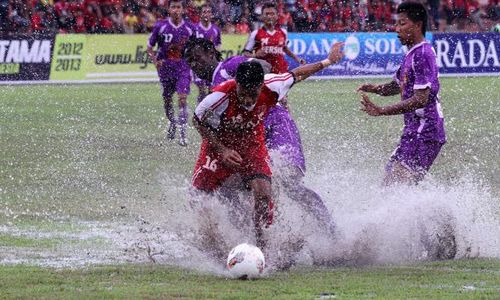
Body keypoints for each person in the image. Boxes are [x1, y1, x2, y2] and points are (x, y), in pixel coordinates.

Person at [191, 41, 344, 250]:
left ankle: (262, 244)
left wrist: (327, 61)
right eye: (242, 93)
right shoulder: (219, 95)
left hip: (253, 142)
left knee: (265, 192)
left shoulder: (272, 85)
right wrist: (222, 150)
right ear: (237, 85)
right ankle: (213, 242)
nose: (247, 100)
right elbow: (197, 119)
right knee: (202, 194)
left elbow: (298, 73)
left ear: (260, 86)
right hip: (222, 145)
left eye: (252, 94)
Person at [358, 2, 445, 186]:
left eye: (402, 24)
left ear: (417, 25)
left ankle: (438, 212)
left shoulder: (423, 53)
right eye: (397, 24)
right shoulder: (411, 55)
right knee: (390, 183)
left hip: (426, 130)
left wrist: (381, 110)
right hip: (413, 130)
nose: (396, 29)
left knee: (400, 185)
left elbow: (420, 100)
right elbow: (396, 86)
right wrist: (373, 88)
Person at [147, 0, 193, 146]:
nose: (176, 10)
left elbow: (195, 49)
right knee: (167, 101)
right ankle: (173, 122)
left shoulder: (189, 28)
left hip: (182, 68)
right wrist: (155, 61)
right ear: (169, 10)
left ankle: (183, 134)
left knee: (182, 98)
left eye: (178, 7)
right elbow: (149, 48)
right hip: (166, 68)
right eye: (173, 7)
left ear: (183, 10)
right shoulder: (160, 27)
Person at [243, 2, 304, 74]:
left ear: (277, 16)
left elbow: (284, 48)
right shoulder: (256, 33)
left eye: (272, 14)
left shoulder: (283, 32)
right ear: (262, 16)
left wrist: (297, 59)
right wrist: (255, 55)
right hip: (264, 73)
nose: (269, 16)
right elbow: (245, 53)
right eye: (267, 14)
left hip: (280, 72)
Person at [192, 4, 222, 104]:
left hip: (211, 65)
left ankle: (208, 111)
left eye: (209, 12)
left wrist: (217, 60)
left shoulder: (215, 30)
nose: (206, 14)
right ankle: (200, 110)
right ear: (200, 14)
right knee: (202, 89)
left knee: (211, 90)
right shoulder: (194, 29)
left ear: (212, 15)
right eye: (204, 12)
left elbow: (218, 46)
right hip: (198, 65)